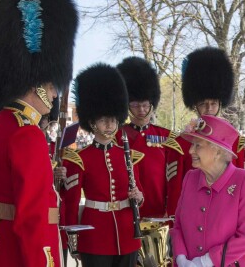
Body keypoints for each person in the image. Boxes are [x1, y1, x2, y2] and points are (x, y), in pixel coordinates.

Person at [0, 0, 78, 267]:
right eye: (51, 87)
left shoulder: (0, 125)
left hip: (2, 249)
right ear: (37, 85)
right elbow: (33, 220)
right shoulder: (27, 134)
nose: (54, 93)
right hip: (26, 256)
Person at [62, 63, 144, 267]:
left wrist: (139, 196)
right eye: (103, 119)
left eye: (113, 119)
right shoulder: (79, 158)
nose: (109, 124)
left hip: (127, 233)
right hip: (94, 235)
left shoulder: (130, 156)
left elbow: (139, 189)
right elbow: (71, 203)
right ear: (92, 123)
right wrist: (73, 240)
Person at [163, 46, 244, 217]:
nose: (208, 109)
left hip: (228, 219)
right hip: (192, 220)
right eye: (203, 103)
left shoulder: (237, 144)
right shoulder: (180, 145)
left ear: (220, 103)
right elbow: (175, 194)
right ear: (194, 104)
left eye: (213, 103)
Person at [171, 114, 245, 266]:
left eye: (198, 145)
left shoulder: (242, 181)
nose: (191, 150)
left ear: (218, 151)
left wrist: (205, 262)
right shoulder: (190, 178)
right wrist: (181, 259)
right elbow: (177, 225)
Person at [115, 56, 171, 218]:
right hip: (127, 209)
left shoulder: (166, 136)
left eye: (145, 105)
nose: (141, 110)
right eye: (135, 105)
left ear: (152, 104)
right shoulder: (117, 135)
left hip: (159, 208)